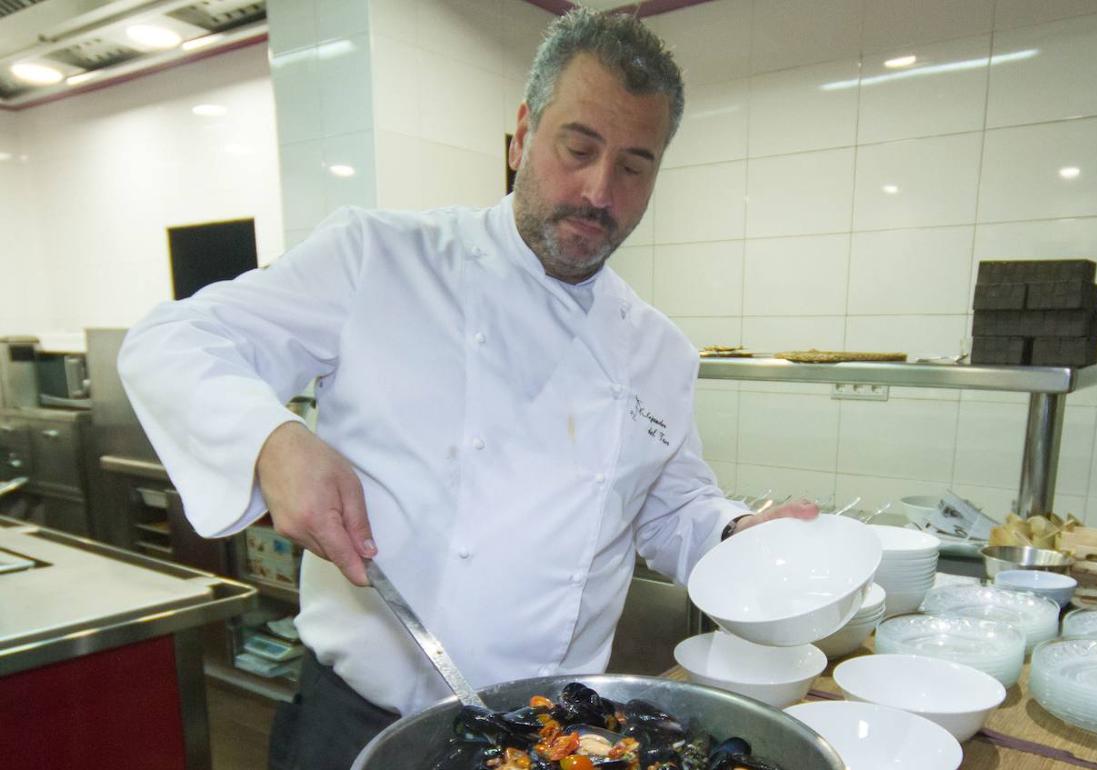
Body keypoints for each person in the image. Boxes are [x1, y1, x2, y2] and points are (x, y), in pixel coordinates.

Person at [119, 9, 816, 769]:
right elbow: (171, 340)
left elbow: (674, 506)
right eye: (577, 147)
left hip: (552, 738)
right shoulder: (378, 260)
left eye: (634, 166)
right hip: (357, 722)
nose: (597, 191)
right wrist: (271, 441)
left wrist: (735, 535)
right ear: (522, 133)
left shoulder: (658, 350)